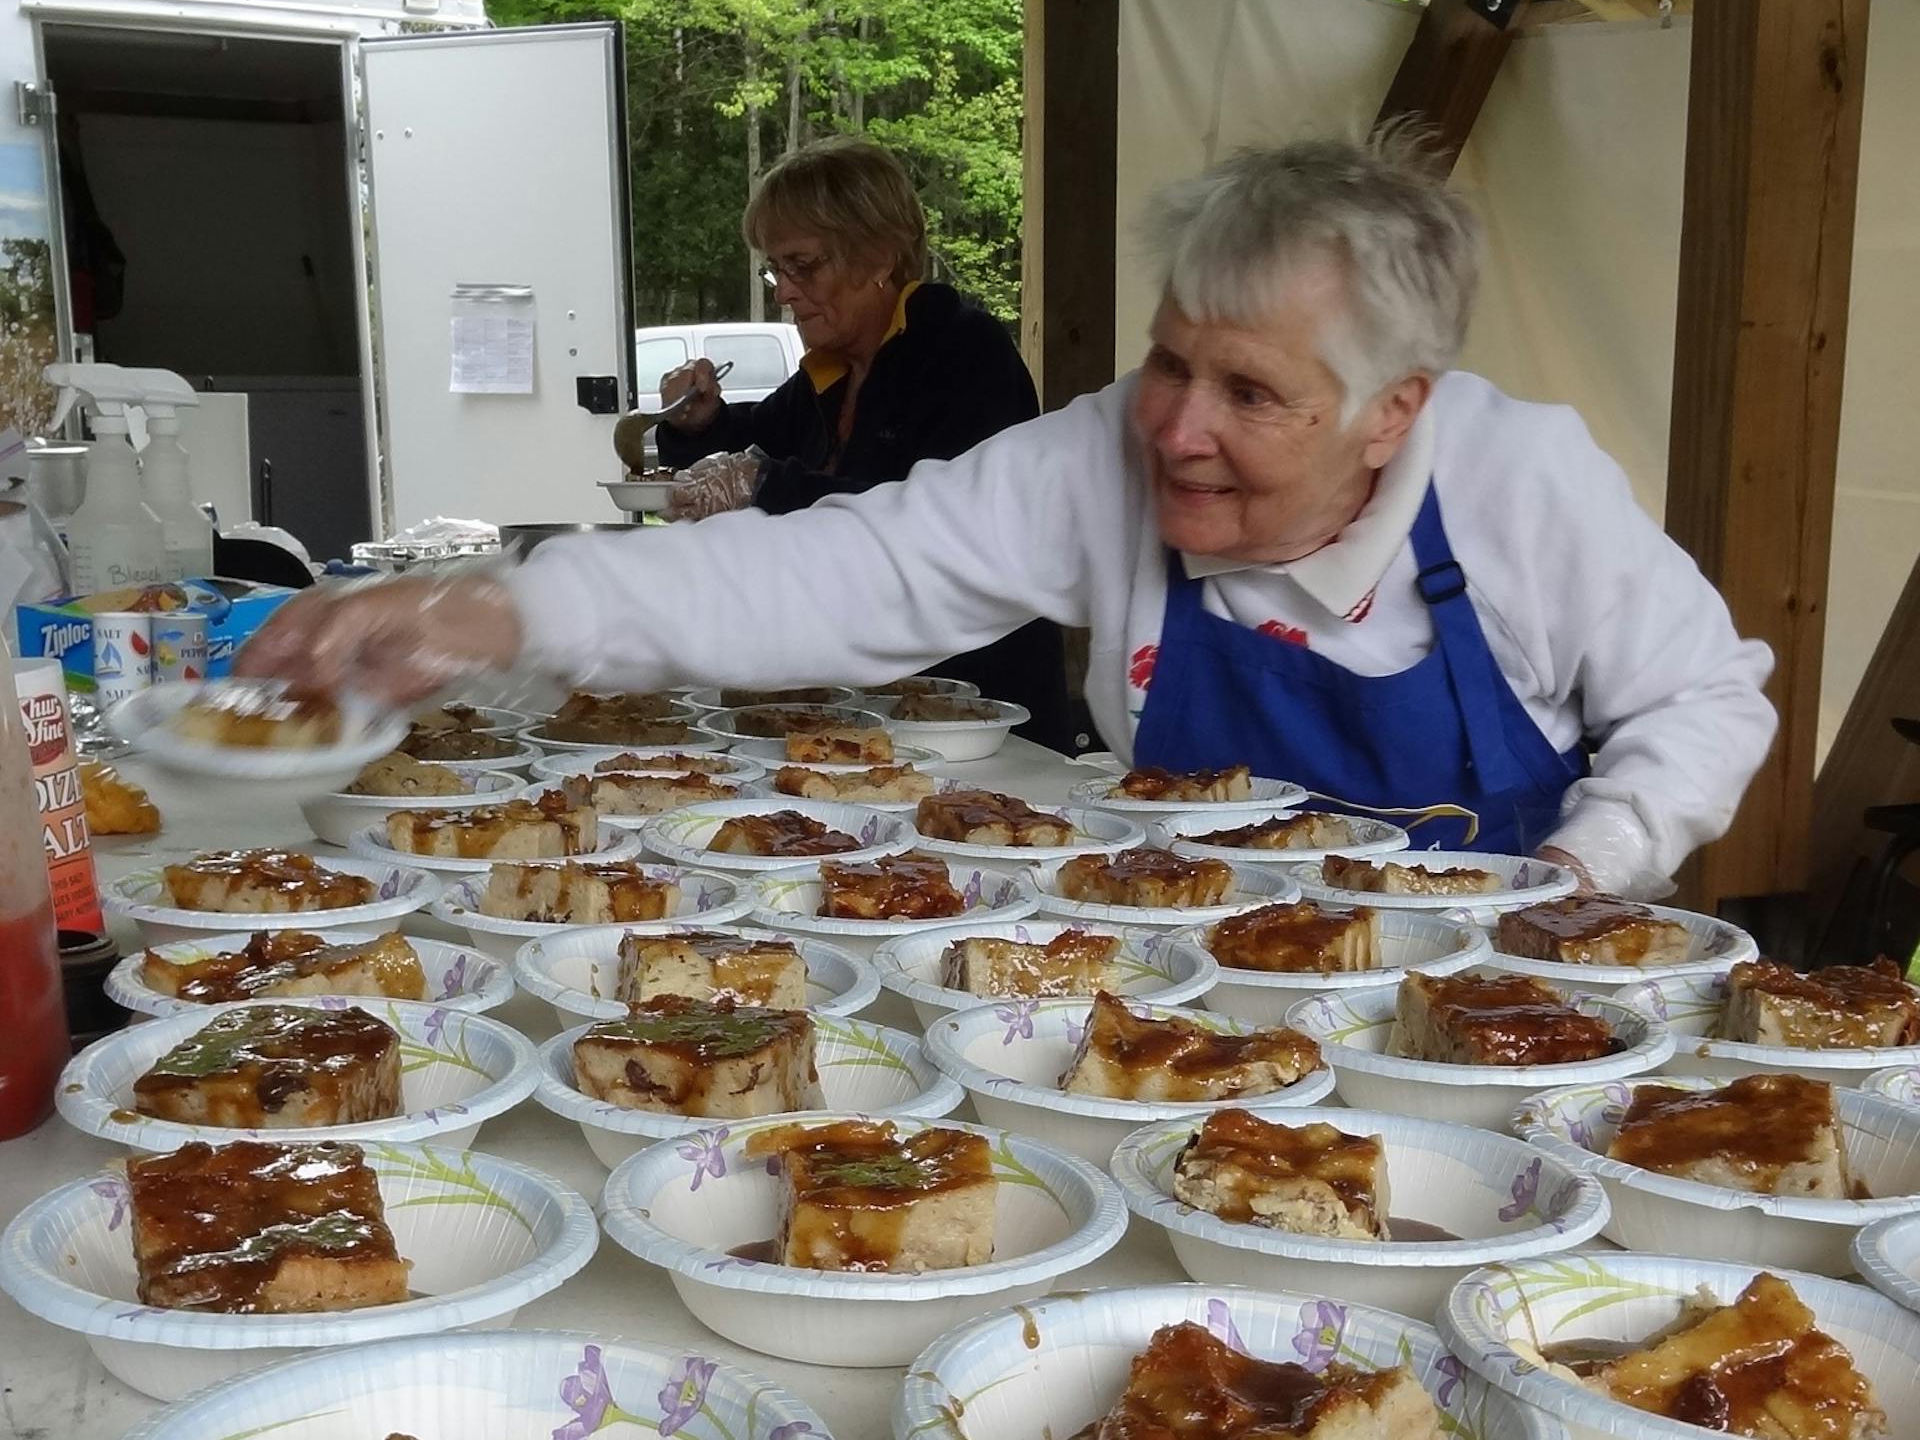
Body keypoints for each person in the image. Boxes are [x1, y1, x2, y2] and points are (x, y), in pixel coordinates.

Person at [245, 133, 1776, 898]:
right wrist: (502, 609)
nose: (1175, 426)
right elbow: (837, 574)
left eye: (1251, 394)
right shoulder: (1103, 452)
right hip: (1189, 989)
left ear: (1395, 408)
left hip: (1492, 999)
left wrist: (1592, 871)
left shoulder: (1522, 478)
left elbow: (1703, 696)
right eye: (1169, 360)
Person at [651, 134, 1070, 745]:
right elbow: (747, 444)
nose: (783, 290)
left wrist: (764, 488)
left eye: (804, 265)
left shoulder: (962, 352)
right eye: (776, 267)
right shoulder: (832, 371)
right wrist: (698, 423)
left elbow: (937, 529)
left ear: (878, 255)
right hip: (864, 715)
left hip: (974, 724)